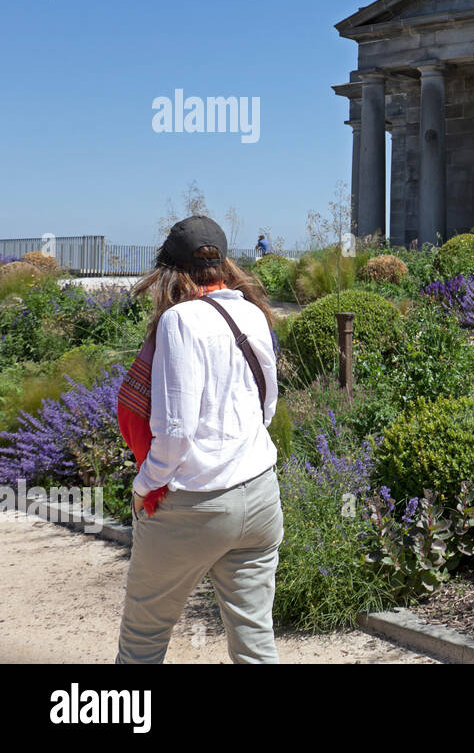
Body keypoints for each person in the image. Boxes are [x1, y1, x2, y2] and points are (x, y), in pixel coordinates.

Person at [115, 215, 283, 664]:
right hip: (261, 495)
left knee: (142, 640)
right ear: (223, 263)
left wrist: (144, 485)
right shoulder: (251, 310)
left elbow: (175, 433)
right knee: (255, 642)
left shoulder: (178, 321)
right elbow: (268, 406)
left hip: (194, 504)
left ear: (170, 270)